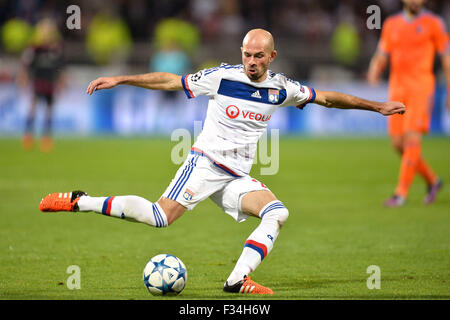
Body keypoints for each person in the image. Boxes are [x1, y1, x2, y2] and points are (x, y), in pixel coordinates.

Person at [40, 29, 405, 294]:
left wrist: (378, 106)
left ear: (271, 57)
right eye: (247, 54)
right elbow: (171, 81)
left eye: (258, 55)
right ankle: (80, 201)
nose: (251, 61)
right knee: (159, 217)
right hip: (205, 164)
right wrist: (121, 78)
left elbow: (326, 98)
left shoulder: (282, 88)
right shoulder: (221, 77)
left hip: (235, 177)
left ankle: (237, 279)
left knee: (277, 213)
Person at [367, 0, 450, 207]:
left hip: (422, 88)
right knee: (398, 143)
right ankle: (433, 181)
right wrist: (374, 70)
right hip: (397, 89)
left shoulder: (434, 23)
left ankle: (400, 194)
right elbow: (382, 53)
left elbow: (447, 58)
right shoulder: (391, 24)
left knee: (412, 139)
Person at [19, 18, 64, 152]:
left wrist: (61, 81)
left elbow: (61, 67)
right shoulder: (34, 48)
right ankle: (28, 134)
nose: (47, 33)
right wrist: (23, 77)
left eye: (50, 30)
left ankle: (46, 137)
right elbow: (26, 65)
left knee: (49, 110)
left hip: (50, 81)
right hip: (38, 80)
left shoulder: (56, 49)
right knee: (33, 107)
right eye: (45, 30)